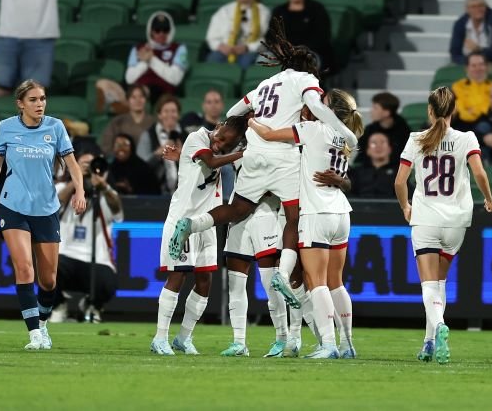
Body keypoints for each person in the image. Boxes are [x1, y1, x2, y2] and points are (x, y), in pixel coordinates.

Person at [170, 18, 359, 313]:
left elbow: (234, 111)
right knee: (294, 218)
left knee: (237, 210)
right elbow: (319, 107)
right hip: (283, 158)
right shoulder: (305, 80)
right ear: (309, 68)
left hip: (254, 155)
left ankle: (192, 224)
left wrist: (247, 122)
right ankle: (283, 274)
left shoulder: (265, 84)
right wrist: (341, 130)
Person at [248, 89, 364, 359]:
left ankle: (328, 344)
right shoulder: (348, 137)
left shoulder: (313, 129)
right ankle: (347, 344)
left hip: (316, 213)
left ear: (328, 109)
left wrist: (252, 121)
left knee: (317, 283)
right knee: (337, 283)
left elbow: (267, 134)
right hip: (341, 213)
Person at [0, 79, 86, 350]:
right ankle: (35, 334)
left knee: (48, 279)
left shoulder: (56, 127)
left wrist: (80, 191)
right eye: (34, 100)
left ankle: (43, 323)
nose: (40, 104)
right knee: (24, 268)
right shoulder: (6, 128)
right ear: (20, 104)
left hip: (46, 208)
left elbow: (72, 164)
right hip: (12, 206)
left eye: (43, 99)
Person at [395, 86, 492, 365]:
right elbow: (479, 172)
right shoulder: (467, 138)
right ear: (453, 111)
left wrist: (406, 207)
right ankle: (429, 342)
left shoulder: (416, 139)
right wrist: (488, 199)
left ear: (430, 111)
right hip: (456, 221)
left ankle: (438, 326)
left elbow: (400, 181)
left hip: (426, 217)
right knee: (440, 282)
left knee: (429, 284)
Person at [150, 116, 247, 355]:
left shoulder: (207, 147)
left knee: (205, 282)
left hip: (205, 223)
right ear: (218, 126)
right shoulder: (196, 137)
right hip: (182, 220)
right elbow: (211, 161)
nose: (220, 144)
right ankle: (159, 338)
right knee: (177, 279)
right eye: (221, 137)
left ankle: (183, 337)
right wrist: (242, 153)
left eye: (226, 145)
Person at [219, 186, 289, 357]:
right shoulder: (235, 158)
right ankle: (239, 343)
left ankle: (282, 339)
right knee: (235, 283)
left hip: (267, 215)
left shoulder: (279, 157)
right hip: (237, 217)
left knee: (270, 283)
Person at [53, 151, 122, 322]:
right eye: (82, 163)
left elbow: (117, 209)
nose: (87, 167)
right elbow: (53, 204)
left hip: (97, 258)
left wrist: (103, 186)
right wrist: (77, 180)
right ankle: (58, 304)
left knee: (108, 282)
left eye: (91, 164)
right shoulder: (63, 187)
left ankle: (93, 305)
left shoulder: (106, 192)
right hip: (65, 253)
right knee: (46, 266)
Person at [271, 0, 334, 73]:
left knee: (300, 65)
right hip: (283, 54)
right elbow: (271, 35)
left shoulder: (317, 9)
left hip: (310, 53)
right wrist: (278, 48)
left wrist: (299, 51)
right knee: (262, 61)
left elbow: (322, 37)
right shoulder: (279, 11)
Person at [205, 0, 271, 69]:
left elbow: (266, 39)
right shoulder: (224, 11)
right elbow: (211, 37)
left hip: (249, 51)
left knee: (246, 61)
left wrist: (247, 48)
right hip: (224, 51)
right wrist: (221, 47)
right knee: (213, 60)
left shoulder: (264, 12)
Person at [125, 12, 188, 102]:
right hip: (136, 91)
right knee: (104, 84)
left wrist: (152, 59)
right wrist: (145, 62)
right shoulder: (138, 48)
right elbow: (129, 79)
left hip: (162, 94)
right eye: (157, 30)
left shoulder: (180, 49)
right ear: (151, 31)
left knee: (144, 91)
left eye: (165, 30)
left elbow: (175, 78)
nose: (161, 34)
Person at [137, 95, 184, 194]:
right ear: (159, 115)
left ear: (178, 115)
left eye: (173, 111)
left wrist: (182, 156)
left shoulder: (186, 136)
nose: (170, 115)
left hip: (182, 192)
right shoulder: (148, 135)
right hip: (154, 192)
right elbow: (140, 167)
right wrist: (157, 154)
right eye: (166, 111)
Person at [356, 92, 411, 167]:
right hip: (369, 170)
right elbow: (362, 154)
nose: (371, 111)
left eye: (375, 108)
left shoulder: (403, 132)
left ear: (386, 113)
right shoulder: (370, 129)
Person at [449, 0, 492, 66]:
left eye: (481, 6)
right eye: (473, 7)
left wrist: (480, 50)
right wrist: (469, 62)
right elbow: (454, 53)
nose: (478, 9)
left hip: (491, 62)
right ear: (467, 10)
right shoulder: (460, 25)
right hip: (466, 63)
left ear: (485, 8)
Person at [99, 84, 154, 157]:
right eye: (133, 97)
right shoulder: (118, 121)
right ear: (128, 100)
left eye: (141, 96)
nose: (138, 100)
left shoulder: (153, 122)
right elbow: (106, 146)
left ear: (146, 100)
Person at [451, 51, 492, 132]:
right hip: (461, 121)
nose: (478, 68)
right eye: (473, 65)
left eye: (481, 64)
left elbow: (489, 108)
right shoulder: (458, 86)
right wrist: (466, 113)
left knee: (483, 126)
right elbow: (459, 105)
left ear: (487, 67)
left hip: (484, 121)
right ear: (467, 68)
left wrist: (473, 111)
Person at [351, 132, 397, 199]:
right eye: (374, 143)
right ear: (368, 150)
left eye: (383, 142)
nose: (378, 146)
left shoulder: (399, 172)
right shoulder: (356, 173)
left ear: (389, 149)